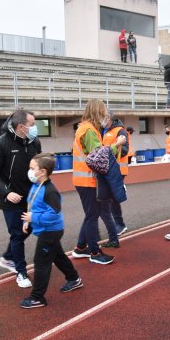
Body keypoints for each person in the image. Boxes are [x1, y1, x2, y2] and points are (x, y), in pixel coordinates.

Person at [0, 110, 42, 288]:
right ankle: (21, 272)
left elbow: (38, 167)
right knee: (17, 233)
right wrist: (6, 192)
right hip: (11, 198)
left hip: (31, 196)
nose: (35, 128)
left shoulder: (35, 142)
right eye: (32, 124)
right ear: (20, 127)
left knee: (28, 228)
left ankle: (8, 257)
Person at [20, 154, 83, 308]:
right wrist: (28, 221)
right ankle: (74, 278)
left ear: (42, 171)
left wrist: (34, 218)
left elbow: (53, 213)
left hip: (51, 232)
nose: (29, 171)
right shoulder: (37, 185)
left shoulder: (50, 191)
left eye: (32, 168)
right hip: (45, 230)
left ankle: (37, 297)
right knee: (58, 256)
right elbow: (34, 205)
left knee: (41, 262)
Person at [71, 99, 126, 265]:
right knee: (92, 217)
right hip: (88, 181)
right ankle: (94, 252)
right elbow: (99, 157)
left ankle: (81, 248)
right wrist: (117, 144)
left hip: (85, 180)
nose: (105, 115)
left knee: (90, 215)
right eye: (103, 111)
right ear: (97, 112)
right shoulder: (88, 130)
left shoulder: (88, 128)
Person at [99, 110, 130, 242]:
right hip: (105, 168)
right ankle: (117, 224)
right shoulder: (100, 130)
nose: (101, 120)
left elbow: (124, 150)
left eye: (103, 117)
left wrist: (108, 151)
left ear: (109, 118)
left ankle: (120, 224)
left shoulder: (120, 131)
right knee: (108, 198)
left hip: (117, 169)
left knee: (113, 198)